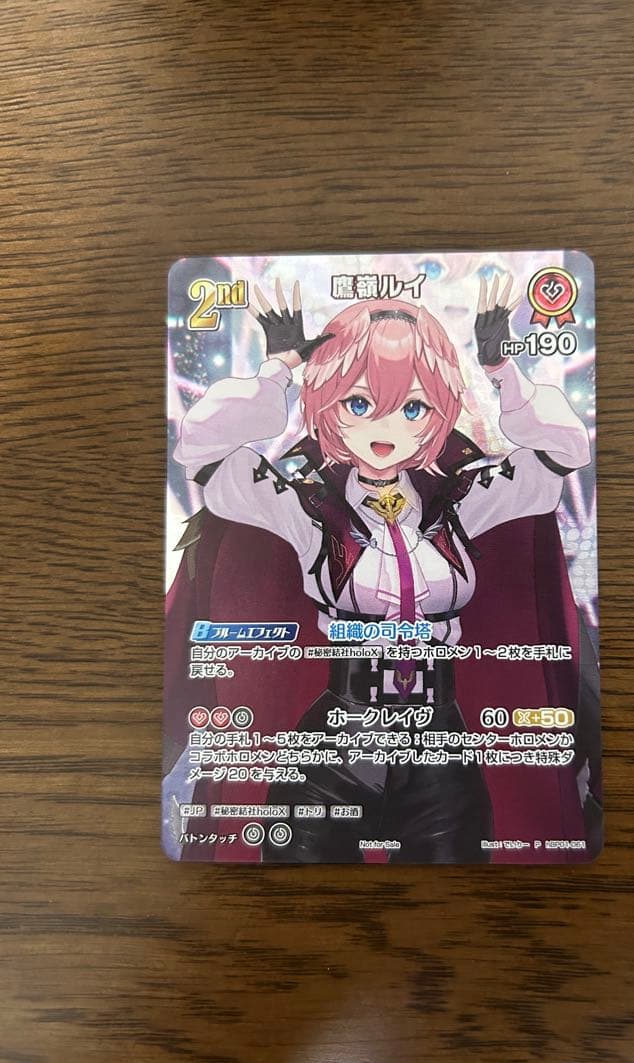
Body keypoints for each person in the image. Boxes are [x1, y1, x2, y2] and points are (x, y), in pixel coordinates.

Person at [170, 276, 594, 863]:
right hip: (336, 746)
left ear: (438, 412)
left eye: (413, 407)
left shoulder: (461, 501)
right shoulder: (308, 507)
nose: (386, 430)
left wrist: (502, 371)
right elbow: (201, 449)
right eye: (359, 404)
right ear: (328, 405)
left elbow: (566, 453)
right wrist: (278, 370)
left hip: (439, 744)